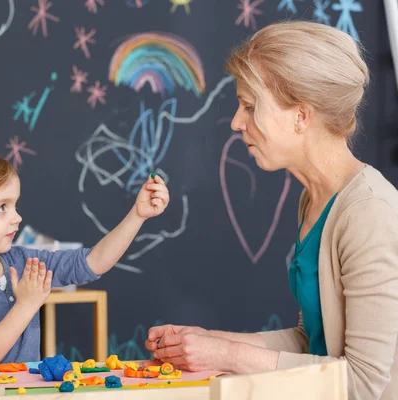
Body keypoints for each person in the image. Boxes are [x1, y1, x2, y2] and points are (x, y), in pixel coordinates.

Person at [145, 21, 398, 400]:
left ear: (301, 115)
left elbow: (362, 382)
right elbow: (312, 341)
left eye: (249, 106)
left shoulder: (368, 213)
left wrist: (228, 354)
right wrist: (206, 342)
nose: (235, 122)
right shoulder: (314, 201)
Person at [0, 149, 170, 367]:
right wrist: (26, 305)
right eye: (1, 207)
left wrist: (137, 216)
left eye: (15, 205)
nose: (17, 217)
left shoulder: (20, 261)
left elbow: (92, 263)